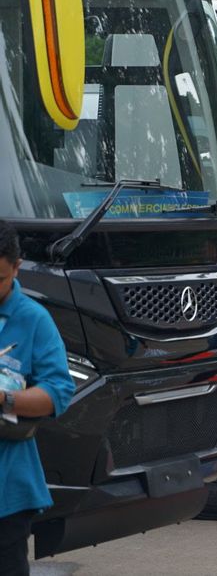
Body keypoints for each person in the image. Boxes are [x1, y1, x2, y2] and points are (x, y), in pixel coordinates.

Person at [0, 221, 75, 575]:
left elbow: (58, 391)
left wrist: (6, 399)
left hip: (8, 488)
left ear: (17, 267)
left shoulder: (32, 320)